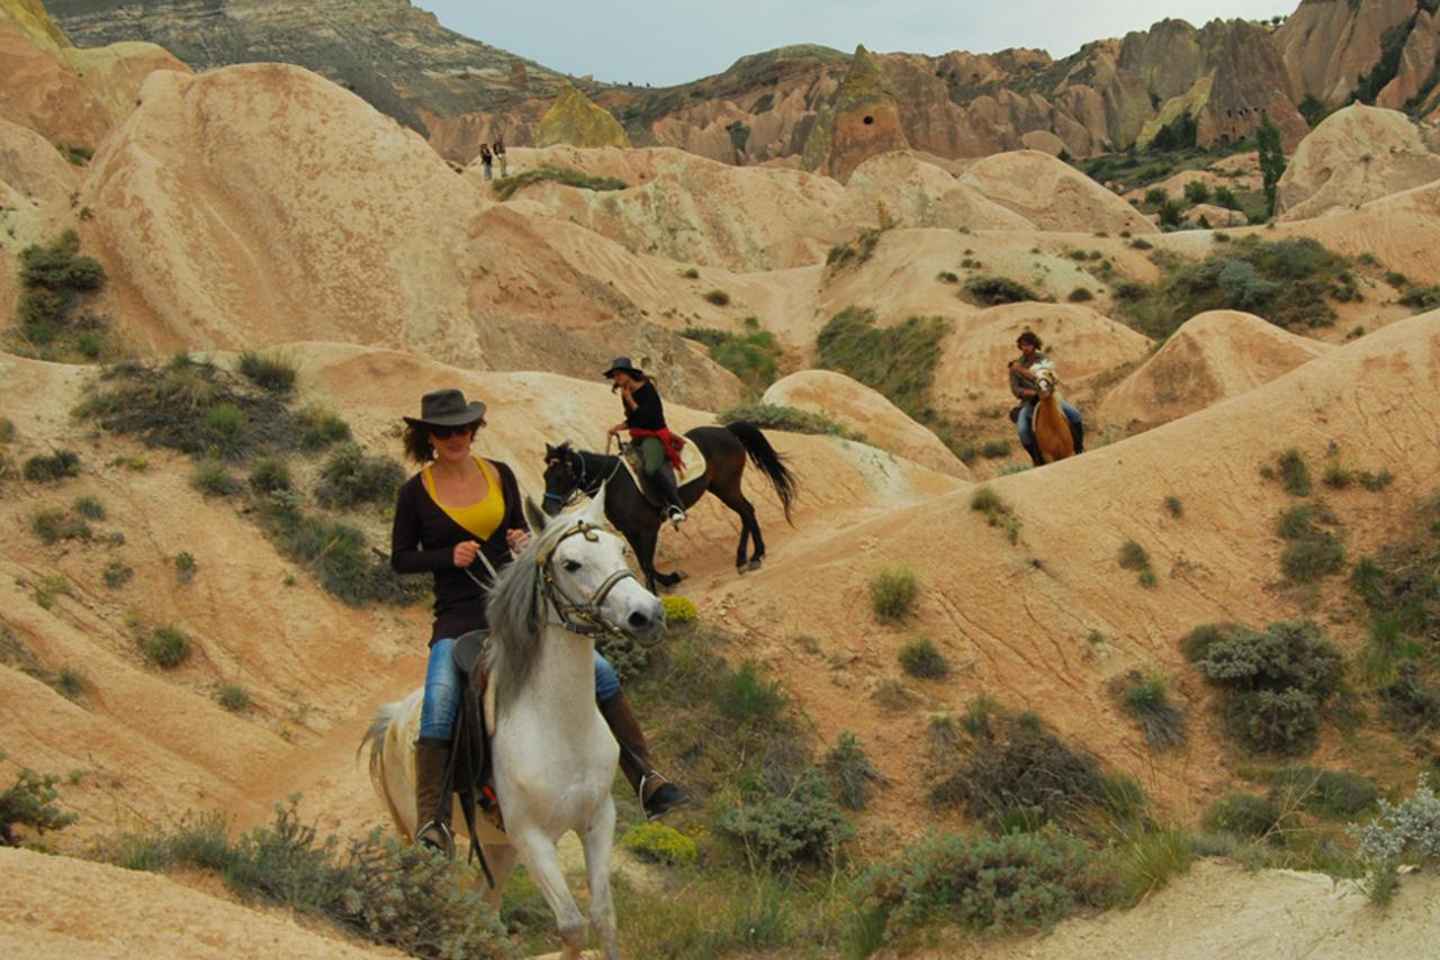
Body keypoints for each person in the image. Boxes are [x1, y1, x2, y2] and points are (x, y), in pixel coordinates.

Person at [391, 388, 687, 855]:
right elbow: (401, 558)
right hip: (459, 614)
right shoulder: (415, 494)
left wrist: (520, 539)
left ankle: (647, 776)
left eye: (465, 428)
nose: (457, 438)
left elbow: (524, 534)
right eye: (447, 431)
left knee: (603, 672)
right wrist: (447, 555)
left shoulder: (500, 474)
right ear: (430, 436)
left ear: (474, 430)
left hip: (517, 604)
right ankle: (434, 820)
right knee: (441, 698)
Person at [603, 357, 687, 527]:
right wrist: (618, 427)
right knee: (625, 466)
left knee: (650, 468)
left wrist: (630, 400)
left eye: (619, 374)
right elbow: (633, 419)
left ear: (628, 374)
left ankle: (675, 506)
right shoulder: (625, 394)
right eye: (615, 376)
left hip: (653, 435)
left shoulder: (647, 389)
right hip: (638, 435)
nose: (617, 378)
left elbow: (649, 418)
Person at [1008, 331, 1084, 467]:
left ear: (1034, 345)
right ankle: (1037, 459)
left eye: (1029, 344)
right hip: (1029, 402)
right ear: (1019, 347)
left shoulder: (1043, 360)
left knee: (1075, 415)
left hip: (1050, 397)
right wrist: (1032, 393)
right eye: (1023, 345)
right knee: (1023, 430)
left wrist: (1044, 388)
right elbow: (1016, 390)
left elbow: (1052, 377)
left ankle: (1078, 447)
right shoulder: (1015, 367)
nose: (1026, 347)